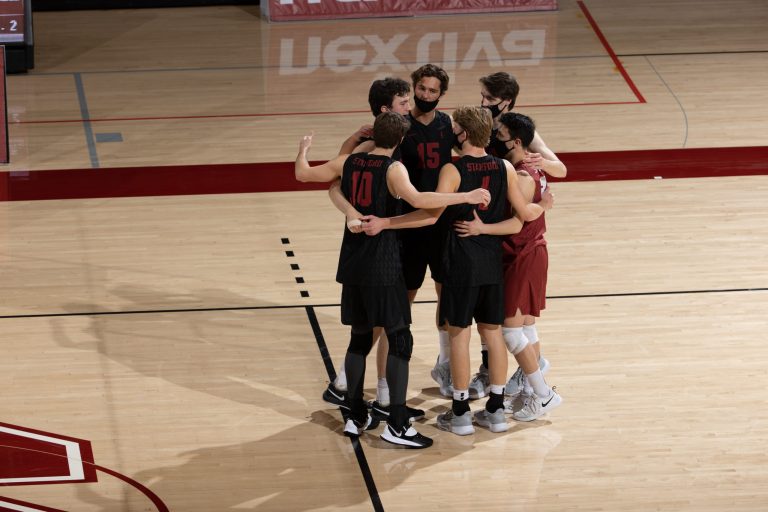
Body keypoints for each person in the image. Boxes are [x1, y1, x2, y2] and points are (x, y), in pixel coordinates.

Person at [295, 111, 490, 447]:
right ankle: (397, 423)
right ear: (400, 140)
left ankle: (356, 413)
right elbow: (420, 201)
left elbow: (303, 174)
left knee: (360, 337)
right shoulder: (394, 169)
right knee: (400, 339)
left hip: (352, 262)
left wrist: (302, 149)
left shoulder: (350, 161)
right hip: (383, 264)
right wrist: (465, 196)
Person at [452, 71, 567, 399]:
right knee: (501, 316)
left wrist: (540, 160)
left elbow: (561, 170)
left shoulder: (517, 133)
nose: (484, 103)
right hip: (493, 224)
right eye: (483, 97)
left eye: (490, 99)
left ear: (507, 102)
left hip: (509, 228)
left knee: (505, 318)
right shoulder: (479, 124)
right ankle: (513, 373)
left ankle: (516, 376)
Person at [323, 77, 413, 414]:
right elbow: (331, 181)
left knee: (367, 330)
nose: (410, 106)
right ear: (387, 111)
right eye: (404, 102)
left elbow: (318, 175)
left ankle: (357, 404)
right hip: (381, 248)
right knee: (395, 329)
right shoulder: (375, 155)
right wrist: (460, 197)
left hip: (366, 251)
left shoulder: (360, 154)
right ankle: (391, 412)